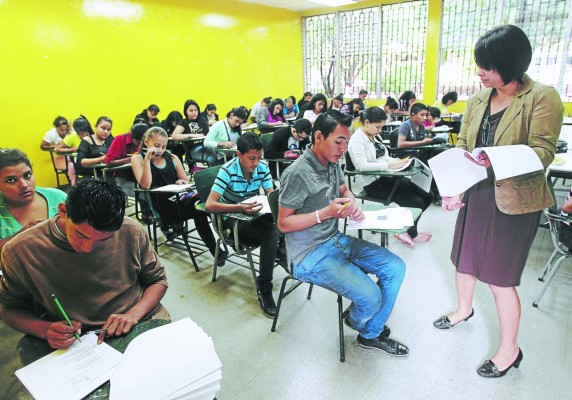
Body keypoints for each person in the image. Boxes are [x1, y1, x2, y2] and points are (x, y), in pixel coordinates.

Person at [434, 25, 563, 378]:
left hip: (515, 199)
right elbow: (462, 146)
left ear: (509, 64)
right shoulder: (478, 99)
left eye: (487, 66)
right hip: (476, 191)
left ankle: (510, 350)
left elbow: (543, 152)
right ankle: (463, 310)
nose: (480, 72)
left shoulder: (542, 96)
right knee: (464, 259)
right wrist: (451, 187)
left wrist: (495, 158)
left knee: (499, 278)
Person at [277, 110, 408, 355]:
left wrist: (351, 202)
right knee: (371, 298)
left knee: (395, 267)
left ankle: (369, 330)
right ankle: (366, 324)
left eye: (346, 142)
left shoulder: (332, 162)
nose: (343, 148)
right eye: (338, 141)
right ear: (318, 137)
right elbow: (283, 224)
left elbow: (343, 188)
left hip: (333, 240)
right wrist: (325, 213)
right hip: (307, 254)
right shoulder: (297, 173)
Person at [0, 178, 169, 349]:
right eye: (81, 235)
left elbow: (158, 280)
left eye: (105, 239)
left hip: (139, 319)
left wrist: (134, 314)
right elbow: (8, 309)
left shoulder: (131, 230)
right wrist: (45, 329)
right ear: (63, 210)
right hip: (78, 341)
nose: (88, 248)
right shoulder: (19, 250)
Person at [205, 133, 281, 318]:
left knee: (282, 220)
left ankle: (282, 252)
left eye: (259, 158)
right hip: (232, 220)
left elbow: (270, 194)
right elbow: (210, 204)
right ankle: (264, 287)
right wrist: (239, 207)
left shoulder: (262, 168)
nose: (256, 163)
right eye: (251, 158)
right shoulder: (228, 170)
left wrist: (276, 201)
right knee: (271, 232)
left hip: (254, 214)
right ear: (239, 154)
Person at [131, 127, 224, 262]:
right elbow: (145, 185)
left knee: (207, 202)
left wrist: (181, 180)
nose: (160, 150)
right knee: (199, 210)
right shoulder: (137, 159)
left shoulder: (172, 157)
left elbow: (186, 180)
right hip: (163, 208)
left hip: (179, 200)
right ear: (146, 142)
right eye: (156, 146)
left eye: (163, 146)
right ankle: (215, 250)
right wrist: (147, 160)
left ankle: (227, 234)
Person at [347, 107, 432, 247]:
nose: (380, 130)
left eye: (382, 127)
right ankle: (406, 232)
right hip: (373, 184)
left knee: (428, 195)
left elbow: (384, 157)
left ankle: (407, 229)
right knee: (416, 202)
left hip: (388, 177)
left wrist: (399, 162)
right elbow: (361, 166)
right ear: (366, 122)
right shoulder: (357, 140)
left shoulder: (374, 135)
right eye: (378, 127)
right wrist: (388, 166)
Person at [0, 148, 67, 252]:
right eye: (11, 180)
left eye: (27, 175)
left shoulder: (59, 198)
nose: (24, 185)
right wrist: (22, 236)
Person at [104, 122, 148, 195]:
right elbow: (108, 162)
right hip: (124, 178)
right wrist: (131, 159)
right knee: (143, 194)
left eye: (142, 143)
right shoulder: (120, 139)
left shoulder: (147, 141)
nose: (140, 146)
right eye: (137, 143)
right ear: (131, 136)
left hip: (142, 177)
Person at [171, 99, 210, 169]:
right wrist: (191, 135)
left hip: (206, 146)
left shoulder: (202, 120)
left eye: (196, 110)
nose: (194, 112)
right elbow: (174, 136)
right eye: (191, 111)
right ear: (186, 111)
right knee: (212, 157)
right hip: (194, 149)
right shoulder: (184, 122)